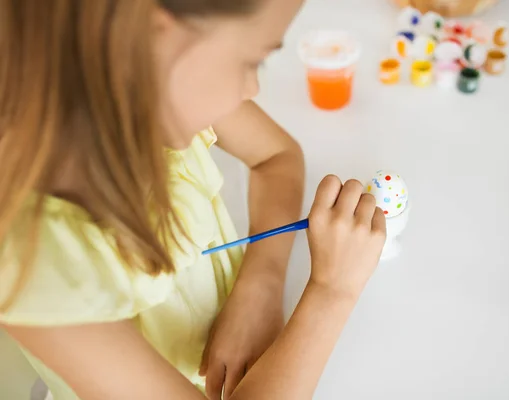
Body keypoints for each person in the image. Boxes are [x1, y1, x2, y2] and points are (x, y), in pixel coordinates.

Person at [0, 1, 386, 399]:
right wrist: (332, 291)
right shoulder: (29, 265)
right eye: (253, 61)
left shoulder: (152, 89)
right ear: (158, 36)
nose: (252, 89)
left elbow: (278, 157)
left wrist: (261, 284)